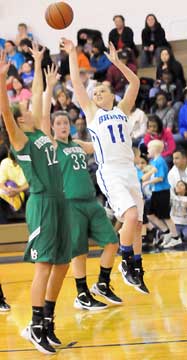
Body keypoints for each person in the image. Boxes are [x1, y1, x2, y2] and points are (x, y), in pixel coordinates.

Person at [61, 38, 149, 294]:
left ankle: (137, 267)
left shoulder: (122, 109)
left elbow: (134, 82)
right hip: (110, 171)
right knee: (130, 216)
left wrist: (117, 63)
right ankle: (125, 262)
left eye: (102, 91)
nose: (97, 94)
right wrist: (72, 53)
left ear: (113, 95)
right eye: (95, 92)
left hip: (129, 169)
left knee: (138, 224)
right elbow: (77, 84)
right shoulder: (92, 112)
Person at [0, 47, 71, 354]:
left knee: (63, 263)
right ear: (19, 119)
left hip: (60, 201)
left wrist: (41, 64)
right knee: (43, 266)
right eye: (24, 108)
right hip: (41, 203)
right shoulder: (20, 139)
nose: (29, 107)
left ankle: (49, 321)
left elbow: (40, 98)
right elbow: (5, 111)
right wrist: (2, 79)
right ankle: (35, 325)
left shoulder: (42, 131)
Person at [42, 67, 122, 309]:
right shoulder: (53, 145)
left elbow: (100, 144)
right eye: (60, 123)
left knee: (111, 241)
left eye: (66, 122)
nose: (64, 125)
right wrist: (49, 89)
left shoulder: (77, 143)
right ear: (54, 128)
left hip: (90, 201)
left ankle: (103, 283)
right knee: (79, 250)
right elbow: (43, 120)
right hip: (70, 204)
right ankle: (81, 293)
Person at [143, 139, 182, 248]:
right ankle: (166, 231)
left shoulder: (160, 161)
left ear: (155, 149)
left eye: (149, 148)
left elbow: (160, 178)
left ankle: (175, 238)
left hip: (162, 192)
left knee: (165, 216)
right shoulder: (153, 162)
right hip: (156, 192)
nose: (148, 151)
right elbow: (147, 171)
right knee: (150, 214)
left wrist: (147, 182)